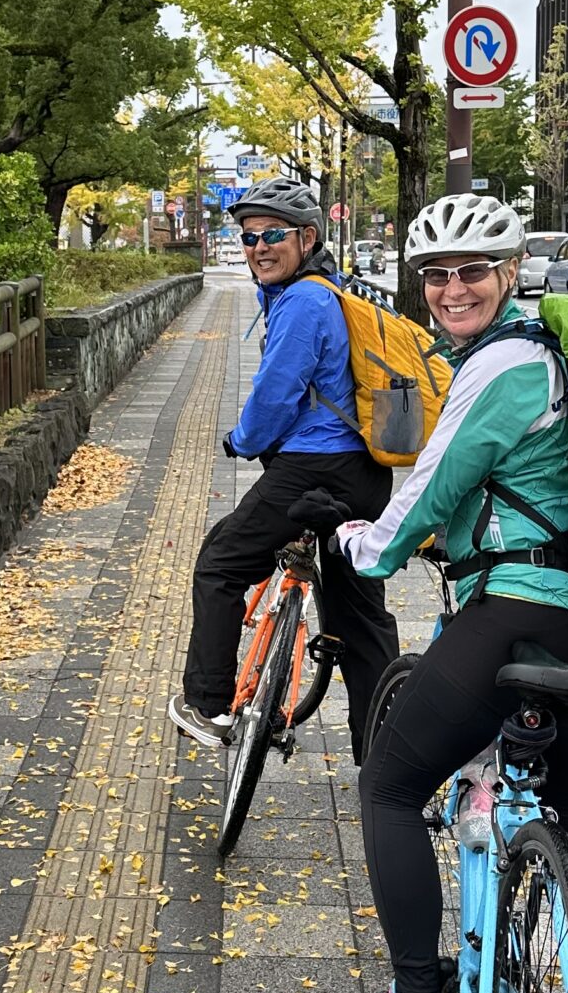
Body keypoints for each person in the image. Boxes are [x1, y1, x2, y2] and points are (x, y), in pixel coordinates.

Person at [331, 191, 568, 993]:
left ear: (511, 273)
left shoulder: (504, 365)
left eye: (473, 270)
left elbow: (432, 487)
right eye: (436, 274)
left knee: (391, 784)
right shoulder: (559, 360)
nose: (452, 288)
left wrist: (370, 548)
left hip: (516, 613)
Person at [169, 176, 398, 763]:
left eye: (273, 235)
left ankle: (209, 703)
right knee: (359, 617)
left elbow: (276, 395)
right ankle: (383, 756)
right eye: (248, 238)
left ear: (308, 238)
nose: (259, 247)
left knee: (220, 563)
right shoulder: (328, 290)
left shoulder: (302, 301)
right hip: (364, 471)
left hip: (311, 471)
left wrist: (241, 439)